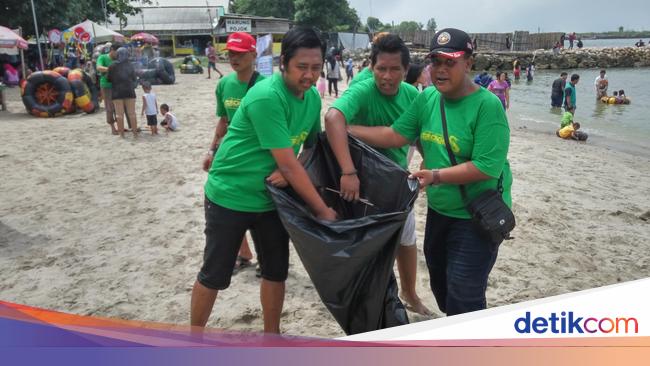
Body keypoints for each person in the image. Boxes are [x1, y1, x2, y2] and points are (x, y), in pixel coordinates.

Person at [348, 28, 512, 316]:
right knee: (441, 285)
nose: (441, 69)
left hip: (476, 216)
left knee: (465, 294)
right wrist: (345, 128)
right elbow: (395, 135)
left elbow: (486, 167)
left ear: (469, 63)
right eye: (436, 62)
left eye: (451, 62)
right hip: (440, 211)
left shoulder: (488, 106)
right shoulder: (427, 99)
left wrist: (435, 176)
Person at [191, 27, 337, 333]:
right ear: (283, 62)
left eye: (315, 67)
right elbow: (287, 162)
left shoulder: (311, 98)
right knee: (214, 274)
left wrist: (292, 166)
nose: (309, 75)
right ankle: (195, 336)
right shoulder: (266, 97)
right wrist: (322, 210)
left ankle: (272, 335)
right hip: (230, 193)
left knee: (275, 271)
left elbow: (309, 148)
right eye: (302, 67)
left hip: (272, 200)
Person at [324, 34, 431, 316]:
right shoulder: (362, 90)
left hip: (397, 180)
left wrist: (430, 168)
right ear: (371, 67)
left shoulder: (412, 96)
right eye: (381, 68)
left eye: (395, 69)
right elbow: (333, 118)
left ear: (406, 71)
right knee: (365, 246)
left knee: (407, 241)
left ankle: (409, 293)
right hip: (361, 182)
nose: (387, 76)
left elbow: (418, 136)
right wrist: (348, 171)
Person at [203, 31, 263, 274]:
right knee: (228, 204)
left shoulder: (264, 86)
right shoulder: (224, 84)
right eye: (230, 54)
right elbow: (223, 121)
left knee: (262, 210)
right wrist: (211, 150)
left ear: (253, 54)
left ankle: (267, 258)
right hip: (230, 155)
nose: (234, 58)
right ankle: (244, 253)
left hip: (258, 156)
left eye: (240, 53)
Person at [107, 47, 138, 138]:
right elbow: (134, 79)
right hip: (129, 91)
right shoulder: (130, 65)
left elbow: (109, 79)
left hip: (117, 92)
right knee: (132, 113)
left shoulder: (112, 66)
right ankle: (135, 133)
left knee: (119, 115)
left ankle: (122, 135)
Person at [96, 43, 119, 135]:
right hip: (106, 85)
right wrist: (111, 68)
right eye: (116, 52)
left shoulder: (118, 58)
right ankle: (113, 128)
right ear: (112, 50)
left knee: (118, 107)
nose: (117, 54)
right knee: (109, 107)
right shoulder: (102, 57)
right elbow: (99, 67)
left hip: (117, 85)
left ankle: (119, 125)